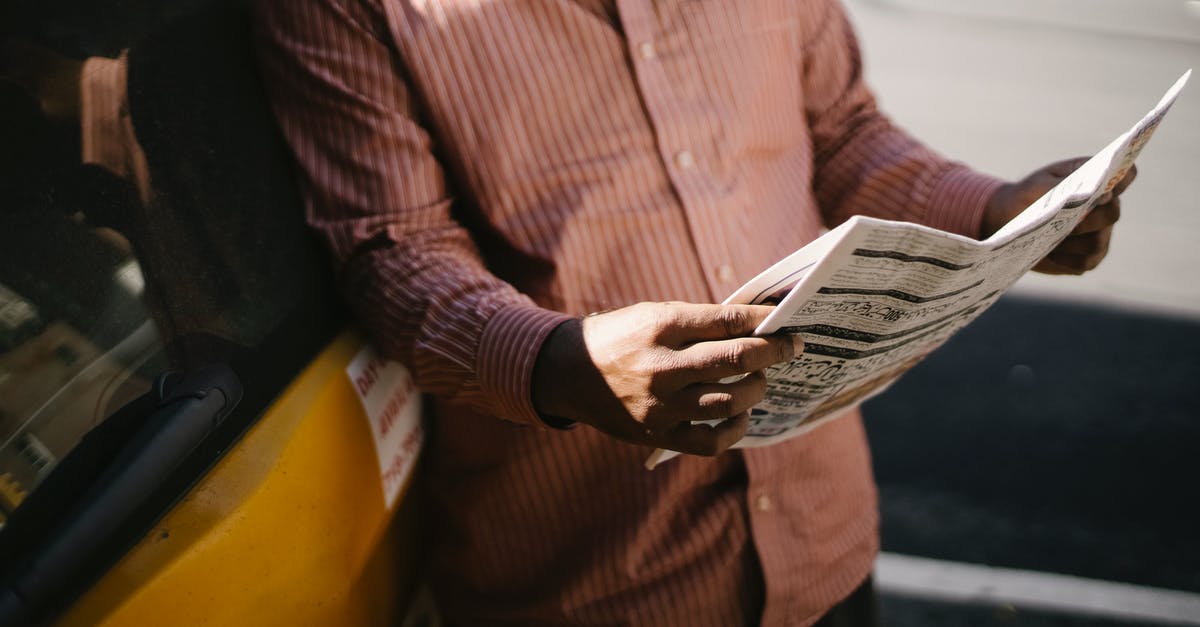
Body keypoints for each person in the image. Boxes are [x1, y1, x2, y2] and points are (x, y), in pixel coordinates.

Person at [252, 1, 1132, 625]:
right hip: (590, 582)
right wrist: (565, 363)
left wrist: (998, 211)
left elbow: (840, 129)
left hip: (824, 541)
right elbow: (391, 254)